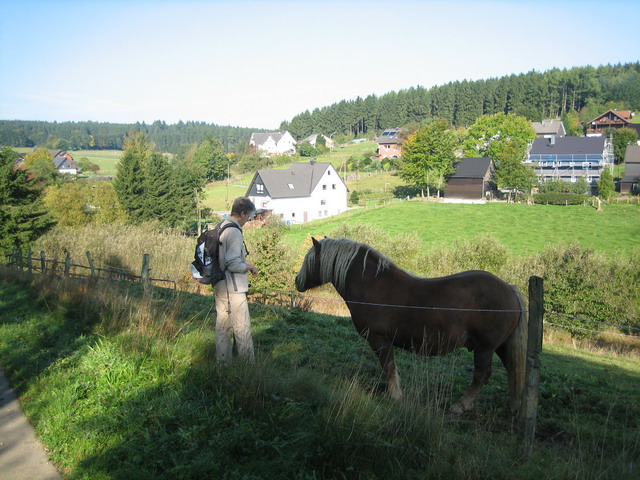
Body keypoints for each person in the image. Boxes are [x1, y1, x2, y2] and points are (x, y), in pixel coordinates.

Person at [214, 197, 259, 363]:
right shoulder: (234, 231)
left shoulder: (221, 226)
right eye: (248, 217)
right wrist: (249, 267)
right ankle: (248, 367)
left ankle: (222, 365)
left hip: (220, 284)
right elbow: (233, 262)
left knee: (223, 327)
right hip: (234, 288)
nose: (248, 221)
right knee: (242, 328)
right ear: (242, 213)